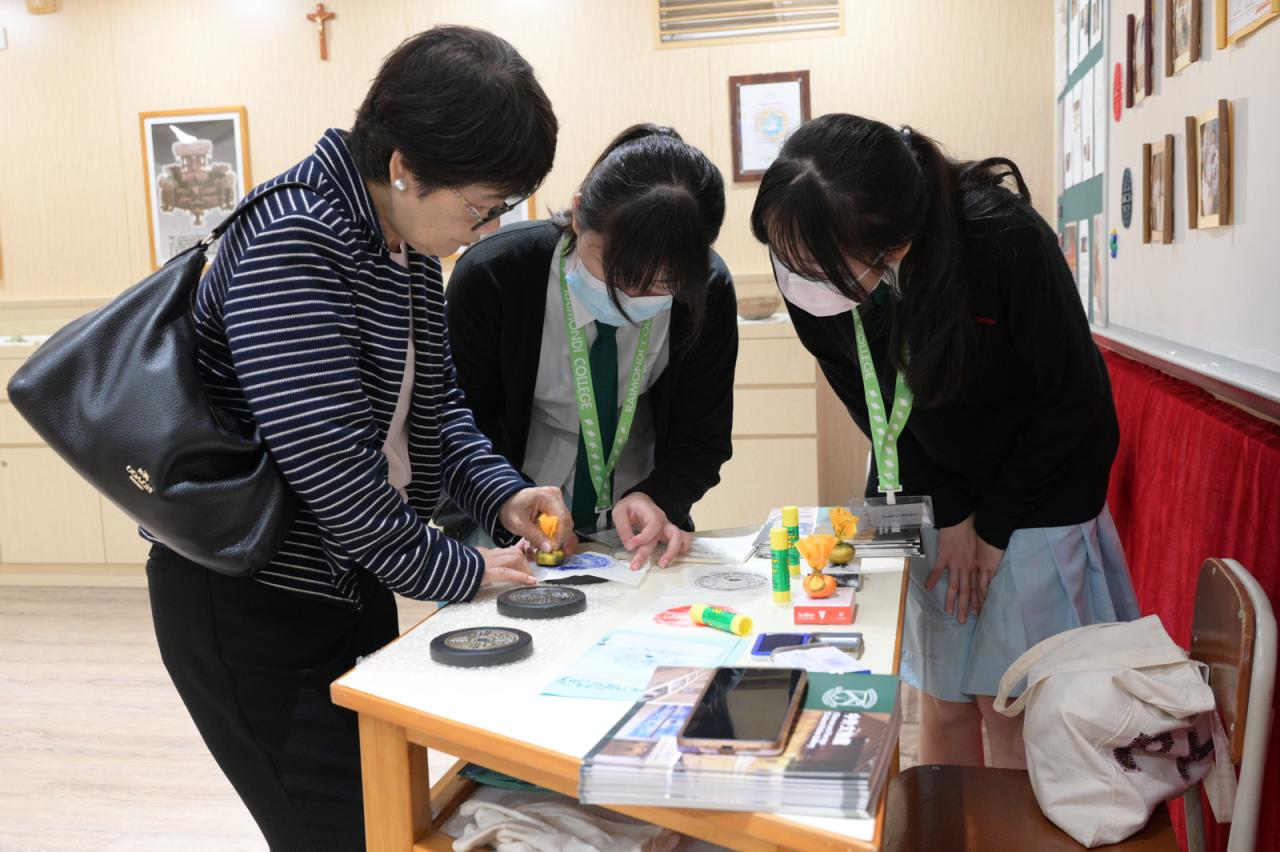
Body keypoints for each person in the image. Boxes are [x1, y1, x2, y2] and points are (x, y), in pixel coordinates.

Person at [144, 27, 571, 851]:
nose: (484, 229)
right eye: (479, 207)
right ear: (406, 164)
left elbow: (438, 410)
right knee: (338, 832)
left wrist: (504, 496)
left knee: (389, 819)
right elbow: (328, 463)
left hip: (348, 575)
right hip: (251, 598)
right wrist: (461, 570)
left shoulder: (400, 240)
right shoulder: (297, 235)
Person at [750, 114, 1139, 769]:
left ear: (895, 247)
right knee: (943, 695)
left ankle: (1016, 822)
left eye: (814, 264)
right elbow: (874, 407)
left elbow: (1074, 407)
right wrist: (950, 515)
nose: (795, 274)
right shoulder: (806, 261)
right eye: (785, 256)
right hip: (919, 477)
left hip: (1038, 484)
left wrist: (993, 529)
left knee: (1011, 703)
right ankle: (948, 820)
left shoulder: (1002, 240)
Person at [436, 124, 736, 569]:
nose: (630, 295)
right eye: (615, 269)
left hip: (636, 529)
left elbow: (702, 435)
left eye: (661, 282)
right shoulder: (494, 275)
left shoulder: (705, 289)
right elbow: (458, 423)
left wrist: (659, 498)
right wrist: (509, 502)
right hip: (503, 518)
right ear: (578, 215)